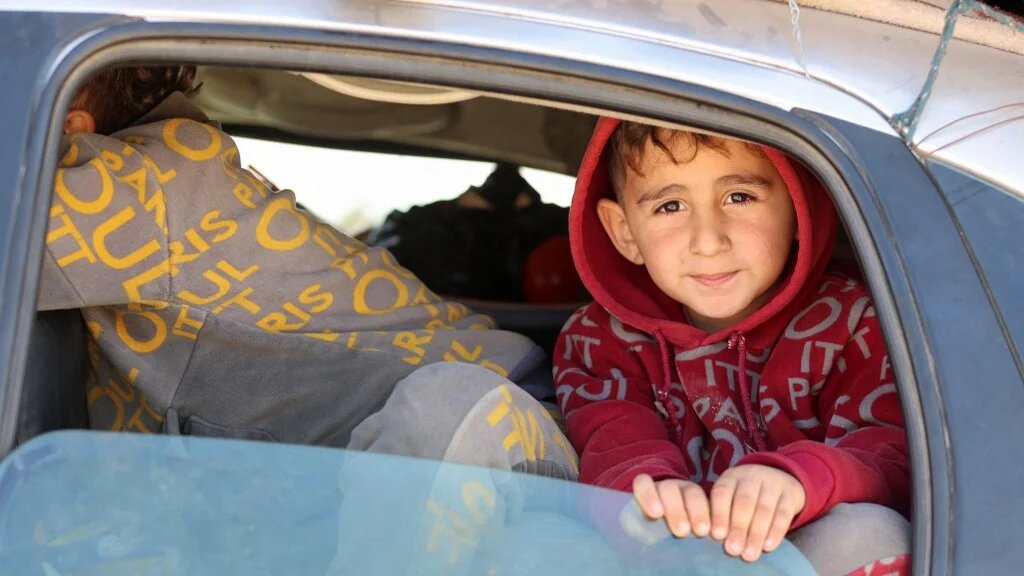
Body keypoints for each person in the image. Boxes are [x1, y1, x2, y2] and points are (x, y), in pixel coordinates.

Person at [39, 65, 573, 479]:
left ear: (71, 129)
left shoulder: (136, 185)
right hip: (430, 442)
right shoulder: (168, 174)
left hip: (500, 425)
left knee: (433, 423)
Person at [553, 118, 912, 576]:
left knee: (871, 532)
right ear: (624, 231)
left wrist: (799, 480)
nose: (708, 241)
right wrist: (654, 495)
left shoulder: (855, 323)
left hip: (792, 552)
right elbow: (615, 444)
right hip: (661, 556)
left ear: (801, 208)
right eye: (670, 206)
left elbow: (893, 457)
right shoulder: (601, 339)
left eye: (738, 197)